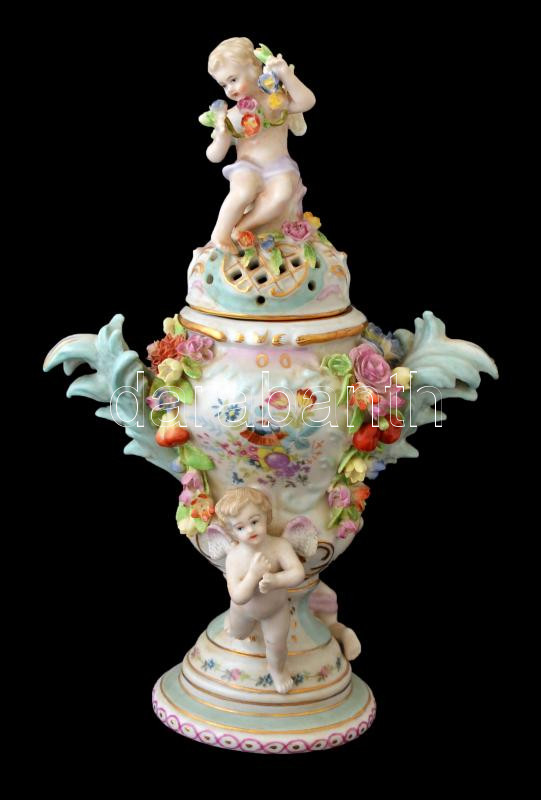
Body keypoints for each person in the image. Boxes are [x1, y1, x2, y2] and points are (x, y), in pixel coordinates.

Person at [204, 37, 316, 253]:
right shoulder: (233, 116)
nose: (229, 89)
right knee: (243, 190)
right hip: (247, 166)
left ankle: (241, 227)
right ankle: (219, 234)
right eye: (224, 85)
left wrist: (285, 74)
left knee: (283, 193)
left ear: (255, 68)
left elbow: (307, 101)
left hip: (279, 166)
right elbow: (214, 156)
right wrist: (221, 134)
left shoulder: (276, 101)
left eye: (233, 79)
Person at [215, 487, 305, 694]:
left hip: (276, 609)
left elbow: (298, 573)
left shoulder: (279, 546)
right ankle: (236, 624)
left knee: (277, 644)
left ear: (266, 516)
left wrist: (276, 580)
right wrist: (253, 575)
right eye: (240, 528)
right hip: (243, 610)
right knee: (238, 633)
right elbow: (238, 596)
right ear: (231, 532)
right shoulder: (234, 557)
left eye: (254, 521)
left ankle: (277, 670)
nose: (250, 530)